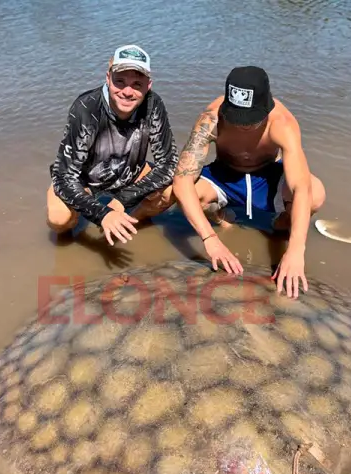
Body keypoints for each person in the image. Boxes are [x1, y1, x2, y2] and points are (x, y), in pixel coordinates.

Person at [171, 66, 327, 298]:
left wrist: (296, 250)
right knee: (178, 195)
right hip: (225, 175)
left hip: (267, 177)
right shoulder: (212, 119)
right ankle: (223, 219)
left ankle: (279, 226)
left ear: (267, 106)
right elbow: (181, 181)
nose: (243, 125)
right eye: (237, 117)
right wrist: (209, 239)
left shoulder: (282, 124)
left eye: (250, 119)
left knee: (316, 193)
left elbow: (300, 187)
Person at [47, 44, 179, 246]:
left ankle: (131, 222)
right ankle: (73, 239)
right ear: (108, 78)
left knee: (173, 190)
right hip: (85, 180)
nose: (128, 91)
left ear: (148, 85)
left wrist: (121, 201)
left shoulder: (153, 104)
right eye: (120, 81)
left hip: (130, 174)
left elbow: (168, 164)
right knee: (60, 221)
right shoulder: (86, 107)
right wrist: (102, 214)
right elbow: (65, 176)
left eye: (137, 84)